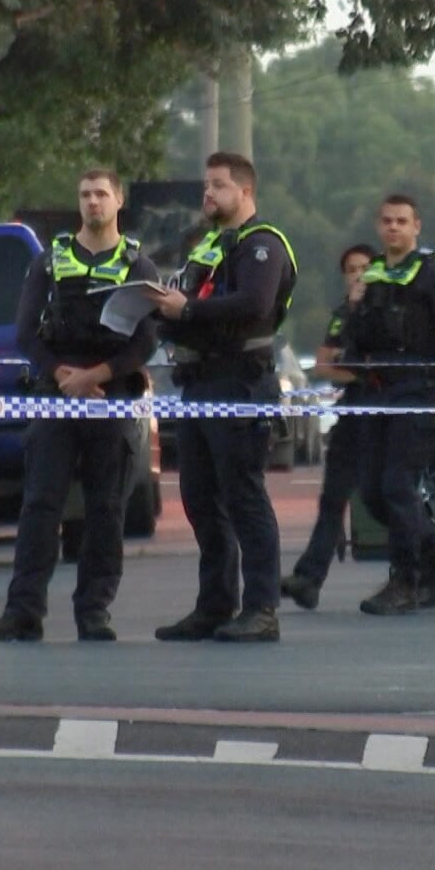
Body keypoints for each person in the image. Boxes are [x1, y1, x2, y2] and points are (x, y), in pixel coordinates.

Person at [0, 168, 160, 643]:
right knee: (40, 503)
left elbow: (146, 342)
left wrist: (95, 377)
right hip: (56, 395)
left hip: (111, 396)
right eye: (85, 195)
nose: (93, 202)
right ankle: (23, 611)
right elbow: (25, 333)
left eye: (101, 194)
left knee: (106, 508)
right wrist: (62, 376)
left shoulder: (138, 265)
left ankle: (94, 611)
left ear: (119, 200)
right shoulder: (50, 261)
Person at [151, 152, 298, 643]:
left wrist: (187, 310)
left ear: (245, 191)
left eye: (218, 185)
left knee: (244, 496)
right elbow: (187, 303)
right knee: (198, 498)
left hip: (240, 383)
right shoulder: (209, 245)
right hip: (198, 384)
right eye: (206, 186)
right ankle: (215, 605)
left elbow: (253, 305)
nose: (208, 194)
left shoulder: (263, 245)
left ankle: (262, 609)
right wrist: (159, 310)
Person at [341, 194, 435, 616]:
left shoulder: (433, 275)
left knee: (398, 485)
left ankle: (405, 580)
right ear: (379, 227)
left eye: (401, 221)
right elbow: (353, 343)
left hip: (418, 392)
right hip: (378, 394)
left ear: (417, 226)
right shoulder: (373, 275)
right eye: (387, 221)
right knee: (372, 492)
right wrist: (355, 306)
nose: (393, 227)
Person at [280, 244, 376, 610]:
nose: (358, 275)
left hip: (386, 410)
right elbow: (324, 366)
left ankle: (426, 560)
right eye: (351, 269)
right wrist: (360, 371)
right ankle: (309, 578)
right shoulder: (342, 314)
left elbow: (382, 364)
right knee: (333, 495)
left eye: (365, 268)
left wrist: (359, 367)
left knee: (388, 496)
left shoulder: (386, 308)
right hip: (353, 408)